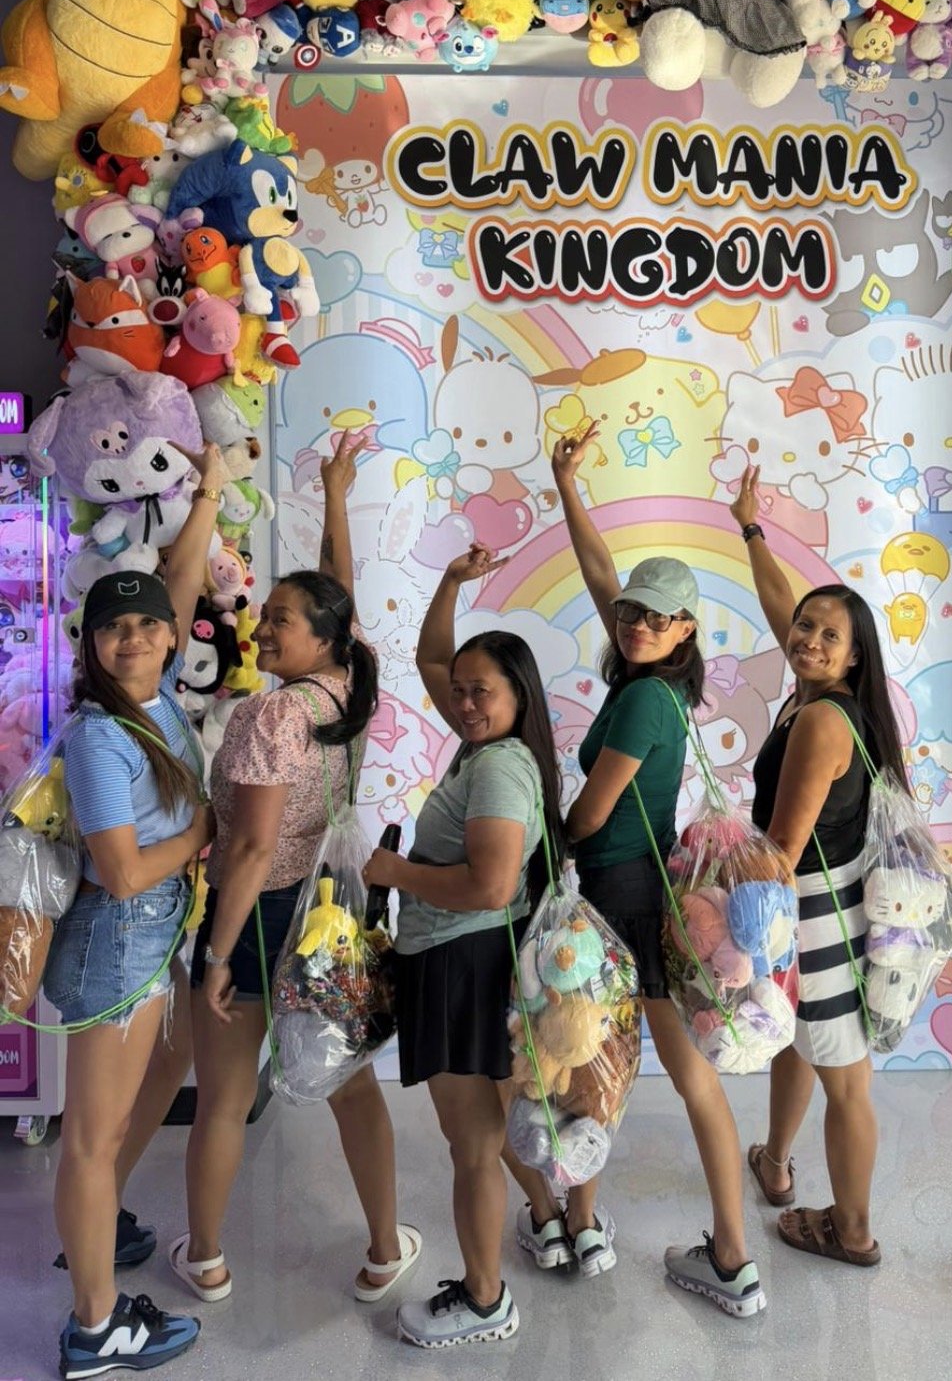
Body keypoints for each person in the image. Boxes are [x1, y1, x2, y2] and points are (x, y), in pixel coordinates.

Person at [505, 422, 764, 1318]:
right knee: (598, 1058)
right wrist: (566, 485)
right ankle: (587, 1224)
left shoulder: (645, 698)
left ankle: (729, 1254)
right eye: (632, 614)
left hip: (621, 894)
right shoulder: (646, 678)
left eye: (659, 617)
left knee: (624, 1064)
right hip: (631, 890)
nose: (639, 623)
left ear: (687, 630)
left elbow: (590, 813)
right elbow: (600, 576)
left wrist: (539, 832)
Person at [177, 432, 418, 1306]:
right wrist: (335, 494)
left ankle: (206, 1259)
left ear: (323, 638)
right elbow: (338, 596)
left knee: (222, 1099)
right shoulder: (349, 687)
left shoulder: (269, 718)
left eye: (281, 619)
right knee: (351, 1088)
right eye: (266, 613)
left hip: (258, 913)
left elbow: (247, 847)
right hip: (325, 916)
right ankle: (385, 1246)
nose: (262, 627)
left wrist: (218, 954)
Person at [45, 444, 225, 1378]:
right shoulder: (98, 734)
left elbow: (178, 585)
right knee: (91, 1137)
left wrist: (212, 492)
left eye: (146, 627)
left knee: (176, 1057)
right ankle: (95, 1328)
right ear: (91, 646)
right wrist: (201, 830)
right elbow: (118, 873)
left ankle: (98, 1223)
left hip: (155, 934)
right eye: (112, 631)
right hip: (117, 938)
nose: (132, 640)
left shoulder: (158, 698)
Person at [363, 544, 563, 1350]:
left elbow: (489, 884)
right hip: (460, 959)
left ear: (519, 697)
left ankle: (484, 1300)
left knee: (473, 1147)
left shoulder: (500, 769)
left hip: (460, 960)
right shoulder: (484, 746)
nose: (466, 701)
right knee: (483, 1133)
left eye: (483, 691)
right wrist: (450, 580)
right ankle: (540, 1226)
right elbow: (431, 659)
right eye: (462, 691)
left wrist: (394, 872)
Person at [731, 465, 905, 1268]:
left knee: (846, 1079)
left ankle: (854, 1229)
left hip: (816, 912)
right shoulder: (822, 694)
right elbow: (785, 607)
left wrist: (713, 898)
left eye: (828, 636)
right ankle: (775, 1162)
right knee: (799, 1042)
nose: (806, 640)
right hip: (824, 905)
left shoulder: (821, 722)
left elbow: (781, 851)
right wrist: (750, 530)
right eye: (804, 628)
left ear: (855, 655)